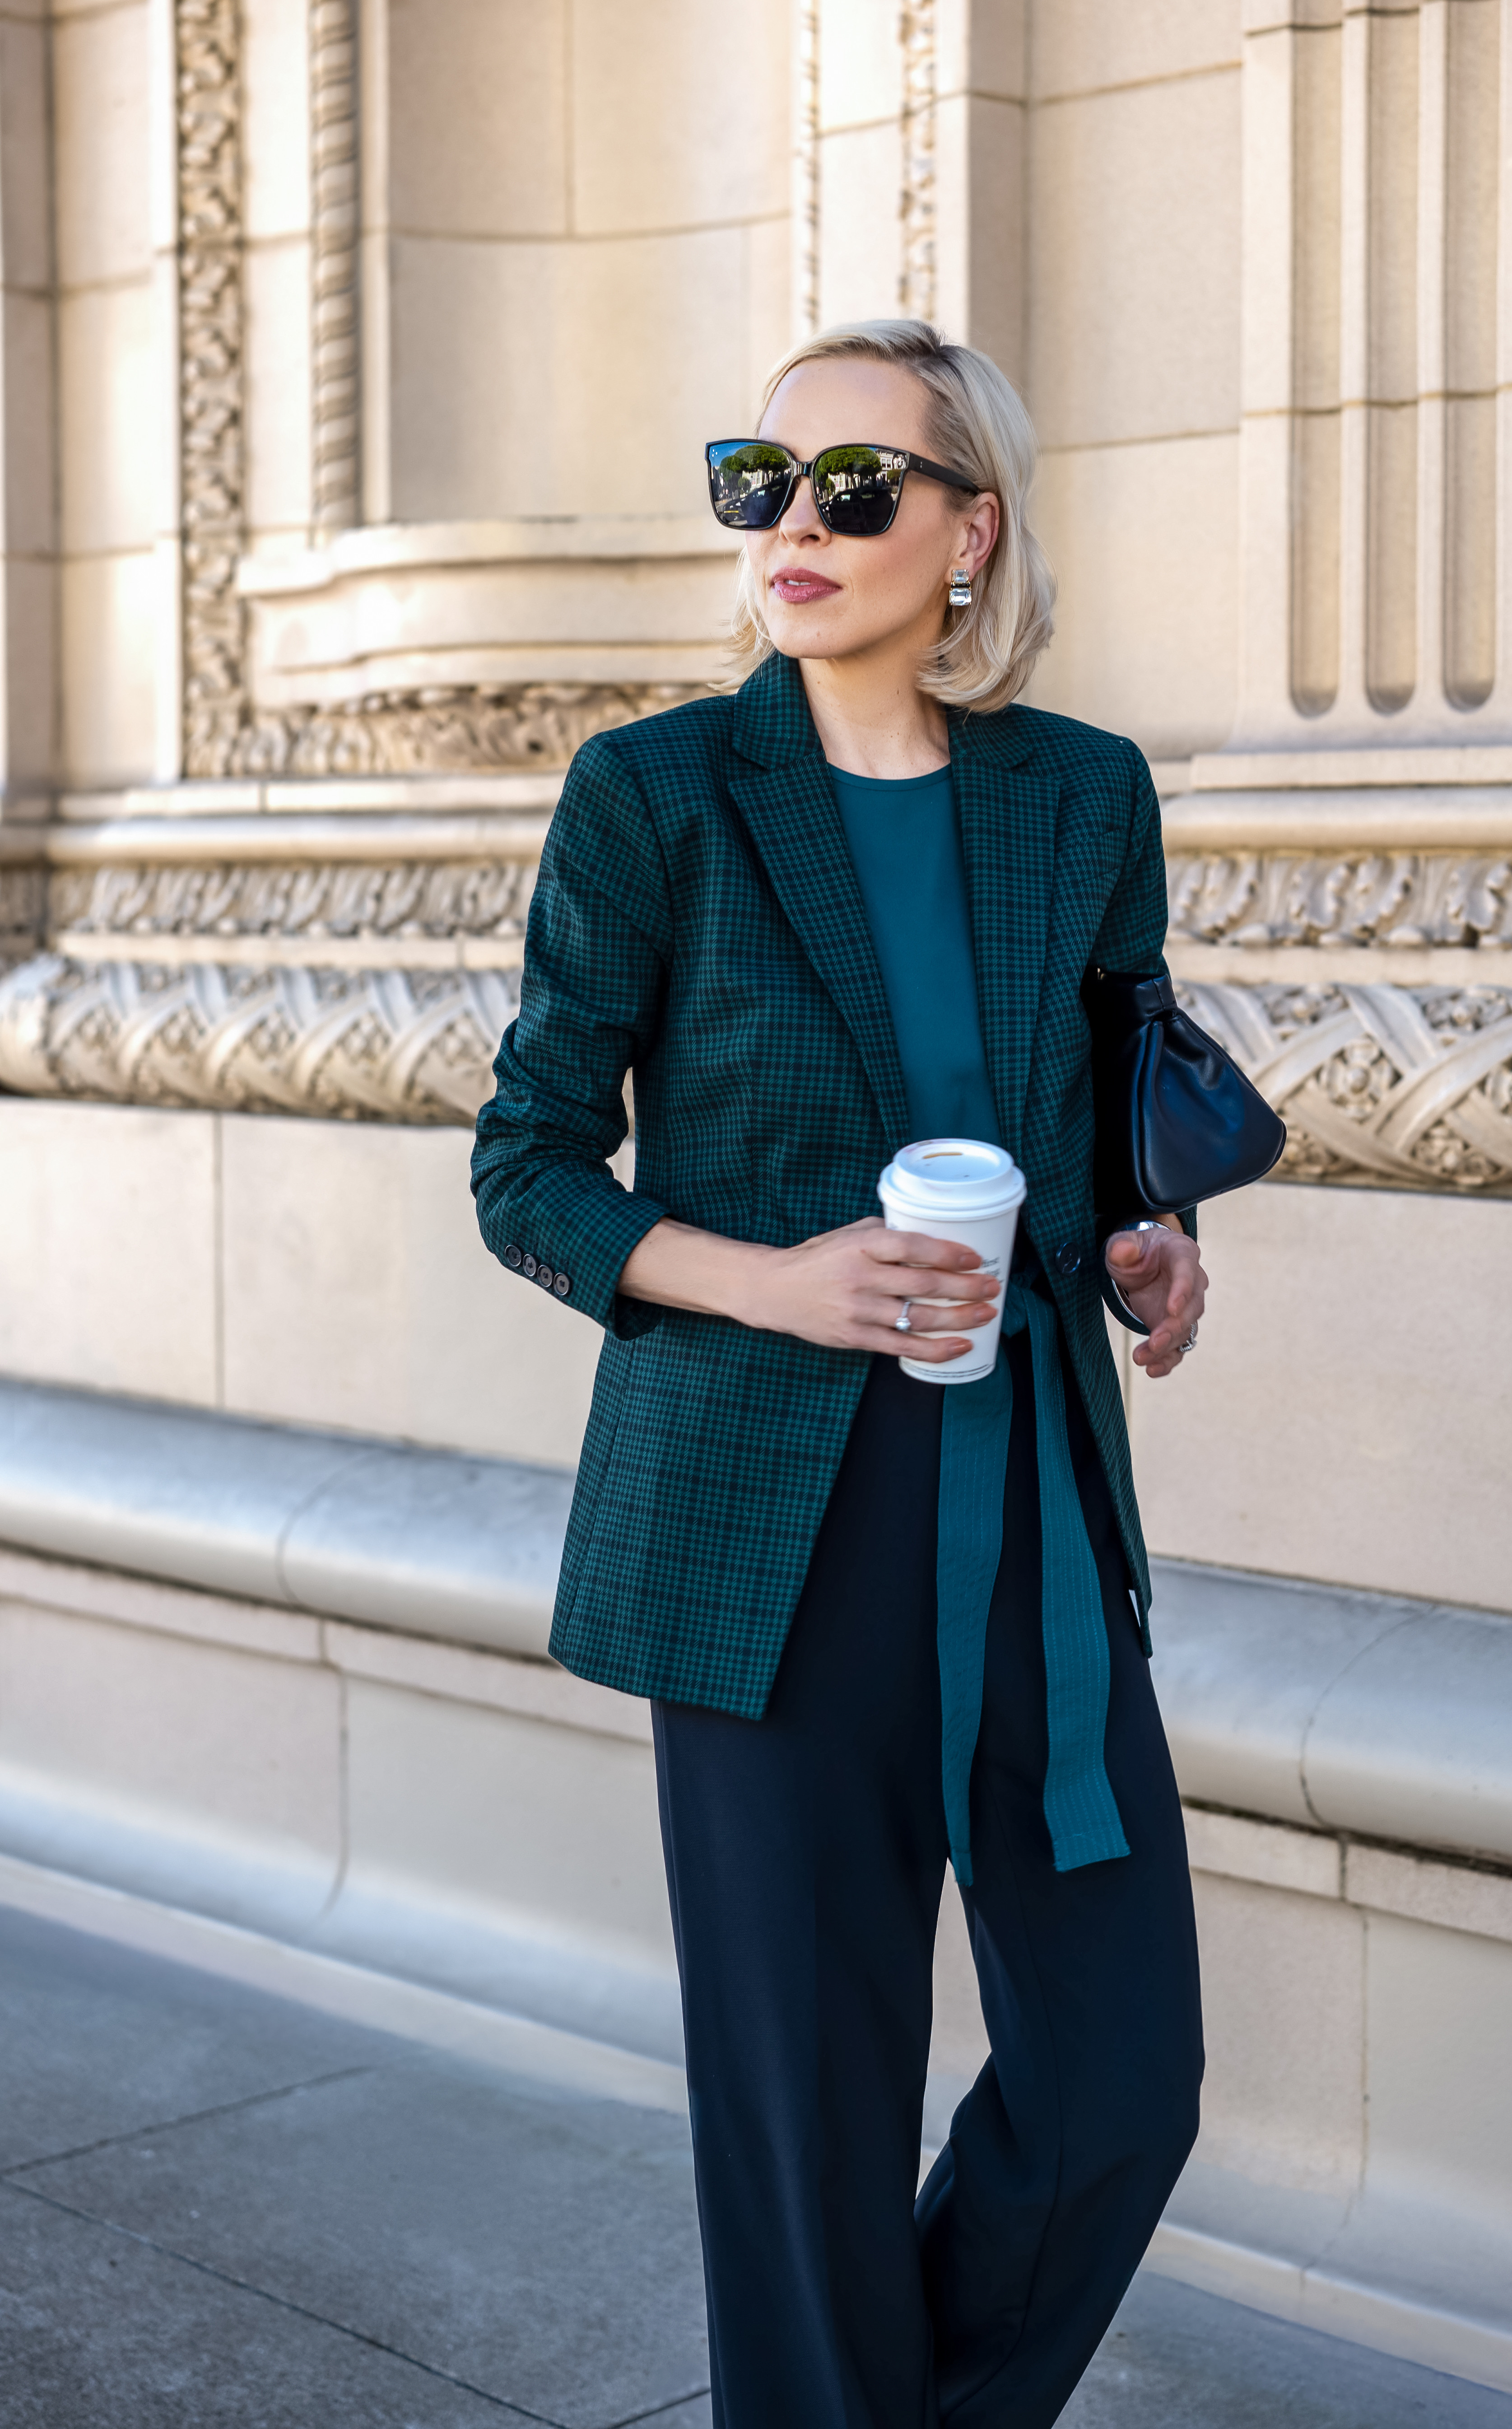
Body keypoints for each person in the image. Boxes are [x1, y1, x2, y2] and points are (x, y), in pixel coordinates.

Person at [471, 318, 1208, 2427]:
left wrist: (1152, 1246)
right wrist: (770, 1283)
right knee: (803, 2127)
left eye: (854, 488)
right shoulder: (658, 798)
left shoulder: (1081, 797)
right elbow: (528, 1170)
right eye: (759, 481)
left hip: (1033, 1533)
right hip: (762, 1537)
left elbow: (1097, 1125)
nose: (793, 527)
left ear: (968, 531)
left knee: (1116, 2090)